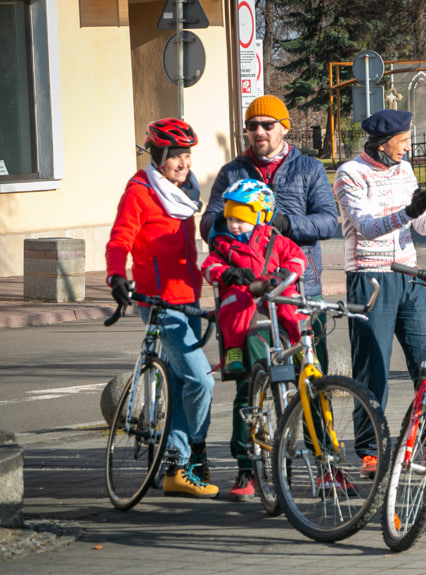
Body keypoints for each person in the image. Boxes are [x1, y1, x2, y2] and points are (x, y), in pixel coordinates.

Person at [200, 94, 339, 501]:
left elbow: (329, 221)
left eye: (266, 125)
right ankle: (249, 469)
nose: (258, 132)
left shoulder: (309, 168)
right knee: (249, 388)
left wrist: (282, 223)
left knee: (313, 383)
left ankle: (326, 463)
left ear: (283, 127)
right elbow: (209, 221)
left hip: (297, 293)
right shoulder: (232, 171)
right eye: (252, 126)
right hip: (246, 297)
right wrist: (232, 230)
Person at [333, 108, 426, 478]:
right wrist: (405, 214)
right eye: (402, 142)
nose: (407, 148)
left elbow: (421, 226)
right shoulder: (350, 174)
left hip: (409, 275)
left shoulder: (405, 170)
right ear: (383, 144)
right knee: (373, 368)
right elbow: (365, 227)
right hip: (370, 277)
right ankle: (369, 450)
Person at [106, 118, 218, 498]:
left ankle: (174, 459)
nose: (184, 163)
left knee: (179, 382)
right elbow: (120, 239)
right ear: (159, 156)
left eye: (187, 155)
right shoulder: (141, 192)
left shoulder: (184, 192)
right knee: (200, 380)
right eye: (176, 157)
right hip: (158, 301)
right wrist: (115, 276)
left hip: (187, 297)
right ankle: (179, 460)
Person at [201, 179, 307, 375]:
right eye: (230, 219)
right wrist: (228, 274)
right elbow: (209, 267)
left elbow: (297, 258)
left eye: (240, 220)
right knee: (237, 301)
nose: (233, 225)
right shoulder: (224, 245)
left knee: (289, 300)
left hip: (272, 286)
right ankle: (234, 350)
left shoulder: (274, 240)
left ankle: (300, 345)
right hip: (243, 290)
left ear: (259, 217)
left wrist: (284, 273)